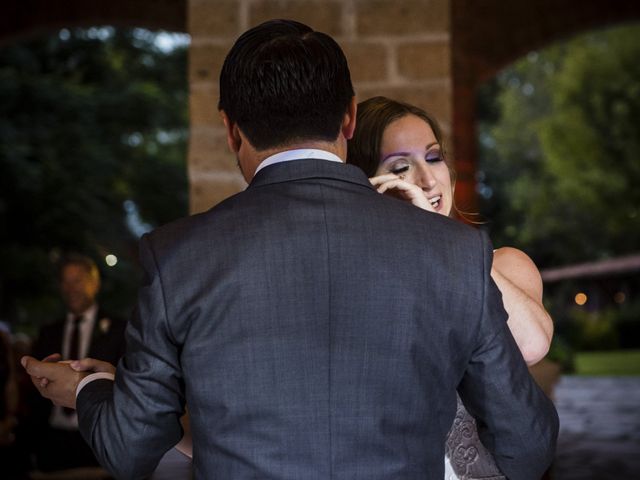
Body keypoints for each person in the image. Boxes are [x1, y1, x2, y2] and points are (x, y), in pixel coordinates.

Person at [22, 19, 558, 480]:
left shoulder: (176, 255)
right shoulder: (453, 253)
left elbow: (130, 446)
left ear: (231, 131)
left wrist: (90, 389)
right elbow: (527, 443)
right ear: (349, 118)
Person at [346, 95, 554, 479]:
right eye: (402, 166)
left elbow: (532, 344)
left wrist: (446, 240)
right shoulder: (358, 282)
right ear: (372, 182)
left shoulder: (504, 263)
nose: (427, 179)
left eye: (434, 157)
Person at [26, 254, 126, 472]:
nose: (71, 288)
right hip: (53, 440)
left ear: (95, 284)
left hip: (97, 440)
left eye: (78, 280)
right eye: (65, 281)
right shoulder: (48, 332)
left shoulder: (120, 329)